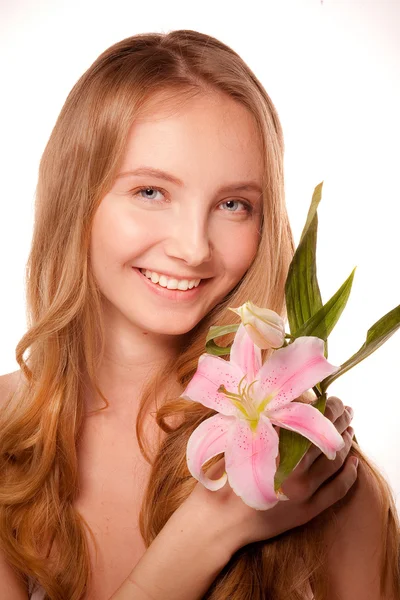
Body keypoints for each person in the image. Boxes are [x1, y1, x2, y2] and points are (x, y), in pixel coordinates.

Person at [0, 29, 398, 600]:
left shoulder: (315, 472)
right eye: (151, 192)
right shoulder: (5, 438)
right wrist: (210, 533)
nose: (193, 248)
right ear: (75, 194)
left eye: (234, 204)